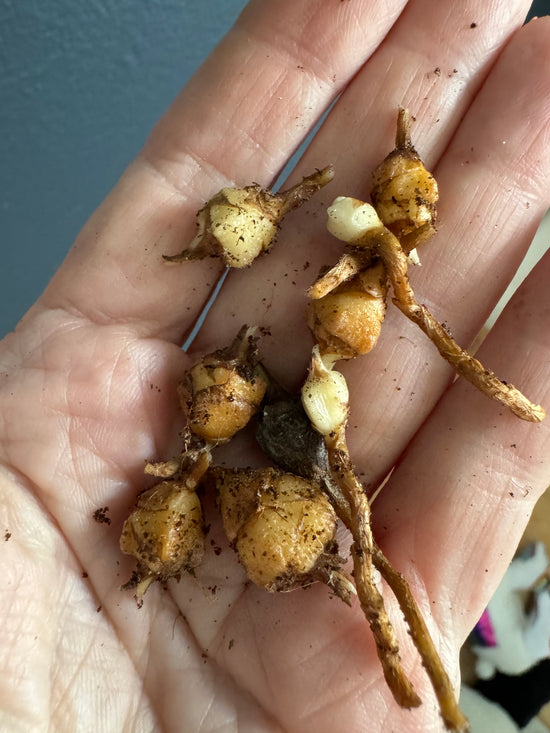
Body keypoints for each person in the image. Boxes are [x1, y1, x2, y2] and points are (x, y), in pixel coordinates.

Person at [0, 1, 549, 731]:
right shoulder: (276, 410)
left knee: (364, 520)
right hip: (279, 450)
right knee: (361, 527)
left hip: (292, 436)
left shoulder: (339, 318)